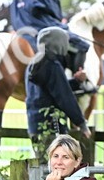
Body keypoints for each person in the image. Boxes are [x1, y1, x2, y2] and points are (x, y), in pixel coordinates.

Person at [10, 0, 92, 87]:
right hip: (41, 25)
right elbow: (54, 11)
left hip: (23, 28)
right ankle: (79, 82)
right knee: (82, 45)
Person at [26, 27, 92, 164]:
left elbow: (52, 88)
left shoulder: (34, 63)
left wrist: (76, 82)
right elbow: (65, 97)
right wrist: (82, 123)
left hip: (34, 123)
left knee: (43, 166)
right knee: (58, 169)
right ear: (58, 44)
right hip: (52, 125)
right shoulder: (52, 65)